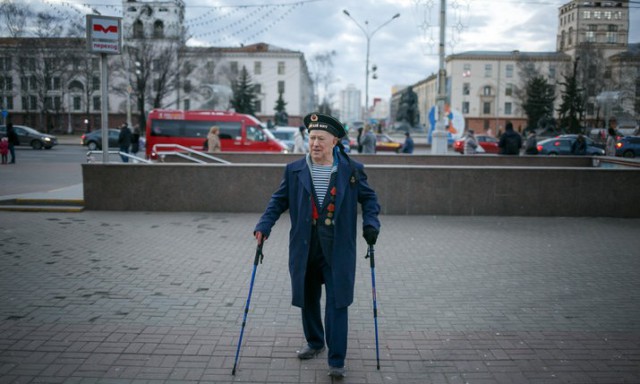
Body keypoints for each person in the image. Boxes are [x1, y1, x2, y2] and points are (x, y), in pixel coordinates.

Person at [253, 112, 381, 378]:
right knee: (309, 297)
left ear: (334, 141)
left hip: (338, 247)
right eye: (311, 138)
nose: (315, 143)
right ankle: (314, 342)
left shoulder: (352, 170)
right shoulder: (294, 169)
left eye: (321, 138)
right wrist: (264, 226)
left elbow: (370, 200)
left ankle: (336, 359)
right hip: (306, 245)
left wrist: (371, 224)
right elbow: (277, 201)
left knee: (338, 303)